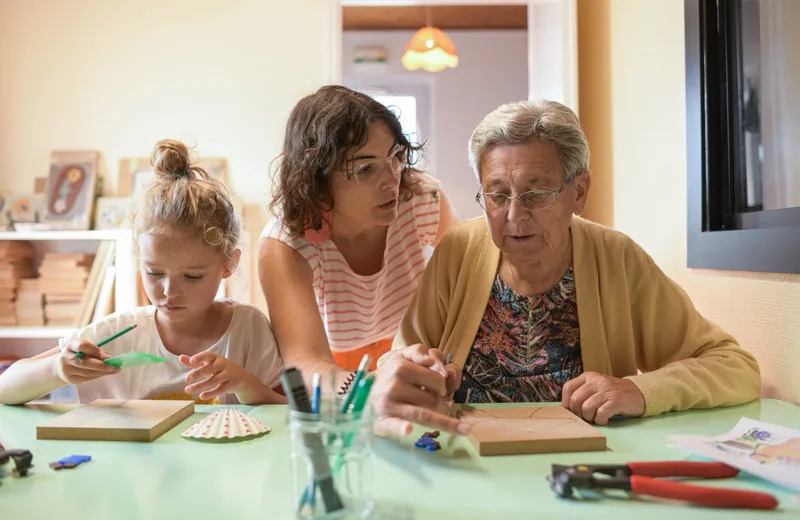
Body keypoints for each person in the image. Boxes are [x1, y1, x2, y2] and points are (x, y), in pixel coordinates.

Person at [369, 99, 762, 437]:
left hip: (585, 470)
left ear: (579, 192)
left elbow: (735, 368)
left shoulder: (616, 258)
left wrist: (639, 391)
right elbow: (399, 359)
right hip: (469, 457)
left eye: (536, 193)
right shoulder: (459, 249)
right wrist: (410, 374)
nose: (514, 215)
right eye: (497, 194)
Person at [0, 139, 286, 406]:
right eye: (154, 273)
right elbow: (5, 389)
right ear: (139, 258)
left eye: (192, 276)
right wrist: (58, 369)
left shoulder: (248, 329)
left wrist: (246, 385)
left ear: (229, 264)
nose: (169, 291)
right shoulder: (121, 332)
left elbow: (292, 413)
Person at [259, 85, 459, 392]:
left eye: (396, 156)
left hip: (418, 360)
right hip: (339, 377)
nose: (393, 179)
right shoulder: (286, 242)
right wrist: (374, 385)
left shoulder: (421, 198)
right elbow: (306, 363)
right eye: (366, 169)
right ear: (317, 178)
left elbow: (473, 275)